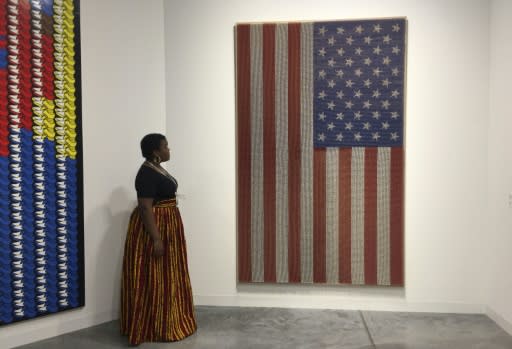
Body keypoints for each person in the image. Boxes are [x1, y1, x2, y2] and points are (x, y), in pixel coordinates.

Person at [121, 133, 196, 345]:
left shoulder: (157, 169)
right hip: (157, 228)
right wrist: (156, 238)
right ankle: (154, 325)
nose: (168, 150)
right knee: (154, 275)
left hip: (168, 224)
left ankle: (168, 319)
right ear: (156, 151)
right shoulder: (146, 173)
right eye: (166, 146)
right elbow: (145, 207)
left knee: (167, 274)